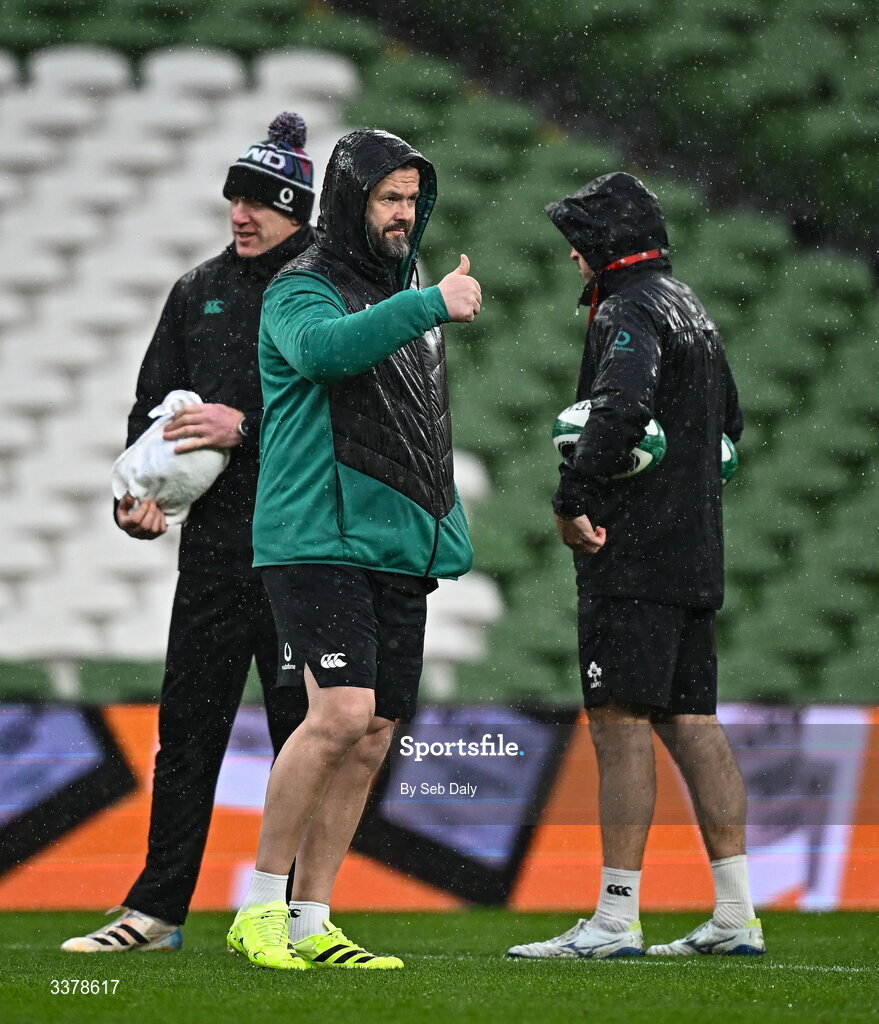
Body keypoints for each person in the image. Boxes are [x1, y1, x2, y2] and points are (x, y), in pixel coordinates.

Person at [225, 128, 481, 971]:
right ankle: (258, 906)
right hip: (314, 536)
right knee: (335, 715)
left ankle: (312, 919)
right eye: (388, 198)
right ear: (350, 202)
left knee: (371, 731)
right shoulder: (301, 286)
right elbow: (325, 354)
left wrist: (441, 521)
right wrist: (429, 304)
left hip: (394, 541)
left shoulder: (402, 283)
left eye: (412, 198)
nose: (404, 213)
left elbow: (416, 421)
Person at [62, 113, 318, 954]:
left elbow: (347, 424)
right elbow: (150, 411)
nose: (241, 215)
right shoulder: (195, 289)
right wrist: (138, 502)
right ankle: (155, 912)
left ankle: (298, 916)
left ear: (299, 211)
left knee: (300, 740)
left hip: (299, 548)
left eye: (259, 203)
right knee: (187, 735)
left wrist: (245, 426)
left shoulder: (323, 292)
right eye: (234, 200)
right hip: (212, 550)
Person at [508, 172, 762, 960]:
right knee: (693, 723)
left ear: (603, 250)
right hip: (695, 551)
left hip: (634, 556)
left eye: (578, 247)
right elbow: (730, 426)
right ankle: (735, 915)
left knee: (618, 725)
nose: (573, 262)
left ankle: (615, 920)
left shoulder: (626, 309)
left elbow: (618, 407)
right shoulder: (688, 304)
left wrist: (573, 494)